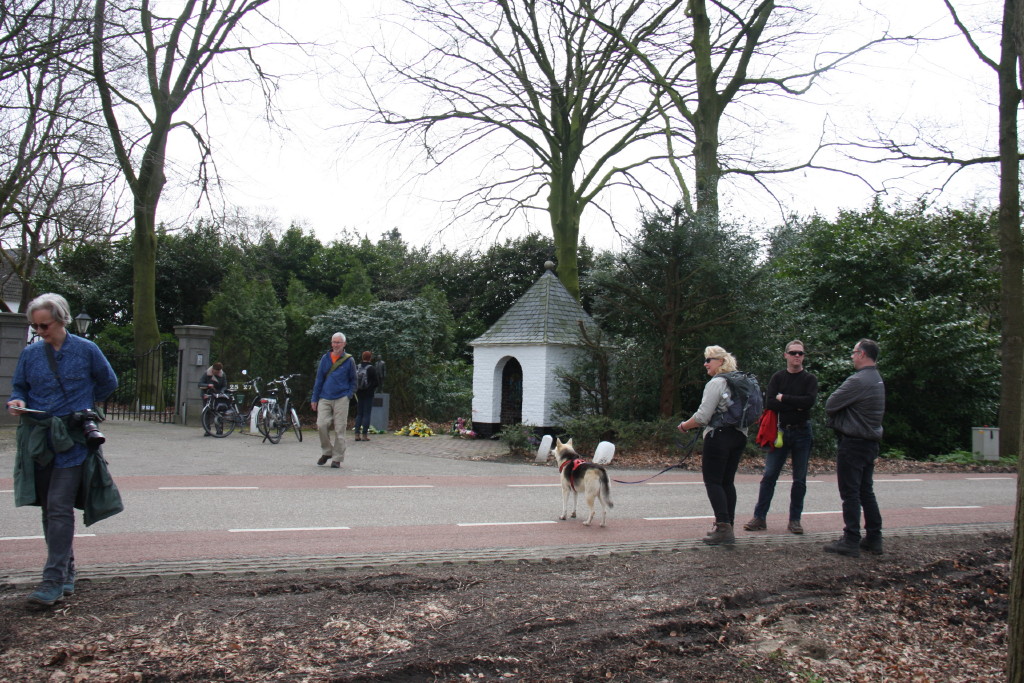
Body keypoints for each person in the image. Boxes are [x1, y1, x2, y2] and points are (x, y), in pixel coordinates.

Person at [6, 293, 118, 606]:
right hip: (40, 439)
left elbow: (109, 382)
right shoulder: (31, 354)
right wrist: (17, 402)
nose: (39, 331)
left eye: (44, 325)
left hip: (73, 440)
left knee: (58, 506)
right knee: (49, 508)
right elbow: (19, 387)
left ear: (61, 320)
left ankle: (52, 580)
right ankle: (66, 570)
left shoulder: (86, 350)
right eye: (35, 326)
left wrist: (83, 404)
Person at [677, 345, 750, 546]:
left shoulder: (717, 382)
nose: (705, 364)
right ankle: (728, 526)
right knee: (727, 482)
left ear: (721, 361)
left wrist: (684, 426)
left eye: (709, 360)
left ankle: (723, 527)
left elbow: (702, 417)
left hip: (718, 437)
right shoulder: (740, 381)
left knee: (713, 482)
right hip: (739, 436)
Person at [744, 340, 818, 535]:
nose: (797, 356)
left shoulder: (809, 379)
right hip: (780, 432)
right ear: (785, 355)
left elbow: (809, 402)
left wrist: (783, 398)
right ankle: (759, 517)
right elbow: (770, 403)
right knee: (769, 475)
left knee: (799, 479)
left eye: (800, 353)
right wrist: (796, 405)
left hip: (802, 432)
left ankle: (795, 520)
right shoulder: (778, 377)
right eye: (793, 353)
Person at [823, 338, 886, 558]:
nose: (852, 356)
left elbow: (831, 404)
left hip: (853, 443)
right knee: (866, 491)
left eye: (854, 352)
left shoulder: (859, 380)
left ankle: (850, 540)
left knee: (850, 492)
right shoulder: (877, 379)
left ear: (862, 354)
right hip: (870, 443)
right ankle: (874, 538)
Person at [311, 332, 356, 468]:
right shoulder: (325, 358)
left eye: (338, 342)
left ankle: (337, 458)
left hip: (342, 397)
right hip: (324, 397)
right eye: (333, 342)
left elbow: (354, 380)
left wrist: (349, 394)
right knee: (321, 425)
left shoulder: (349, 360)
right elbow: (319, 379)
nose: (335, 345)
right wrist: (314, 398)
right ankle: (327, 451)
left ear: (344, 344)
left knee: (339, 429)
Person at [352, 351, 379, 441]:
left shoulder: (357, 367)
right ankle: (364, 435)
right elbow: (376, 382)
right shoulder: (371, 368)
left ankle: (356, 434)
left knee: (359, 414)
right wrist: (370, 388)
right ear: (370, 358)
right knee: (367, 414)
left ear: (362, 357)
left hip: (359, 393)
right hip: (368, 394)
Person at [200, 362, 227, 436]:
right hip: (207, 394)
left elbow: (224, 385)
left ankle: (219, 430)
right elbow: (200, 384)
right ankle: (207, 430)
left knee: (218, 412)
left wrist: (222, 391)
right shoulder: (206, 374)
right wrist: (208, 385)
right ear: (213, 369)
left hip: (217, 395)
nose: (217, 373)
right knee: (207, 413)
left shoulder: (222, 375)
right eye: (216, 371)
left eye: (218, 371)